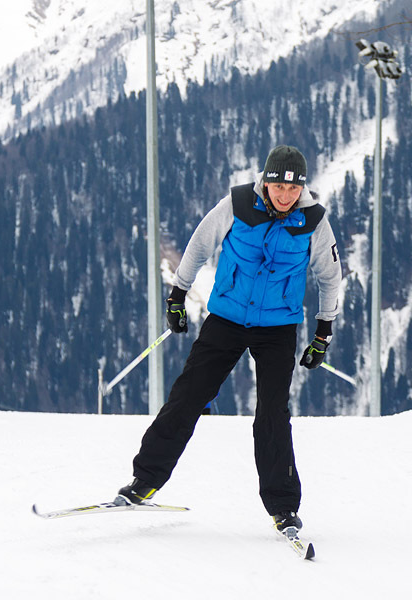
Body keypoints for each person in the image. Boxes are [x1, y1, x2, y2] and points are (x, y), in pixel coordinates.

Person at [117, 145, 342, 534]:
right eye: (278, 187)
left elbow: (330, 277)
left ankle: (283, 507)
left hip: (277, 328)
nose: (285, 196)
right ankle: (145, 481)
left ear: (302, 188)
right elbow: (199, 245)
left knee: (272, 415)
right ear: (266, 181)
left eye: (293, 189)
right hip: (227, 318)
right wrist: (177, 295)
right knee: (187, 396)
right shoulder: (237, 204)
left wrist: (323, 332)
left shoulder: (314, 222)